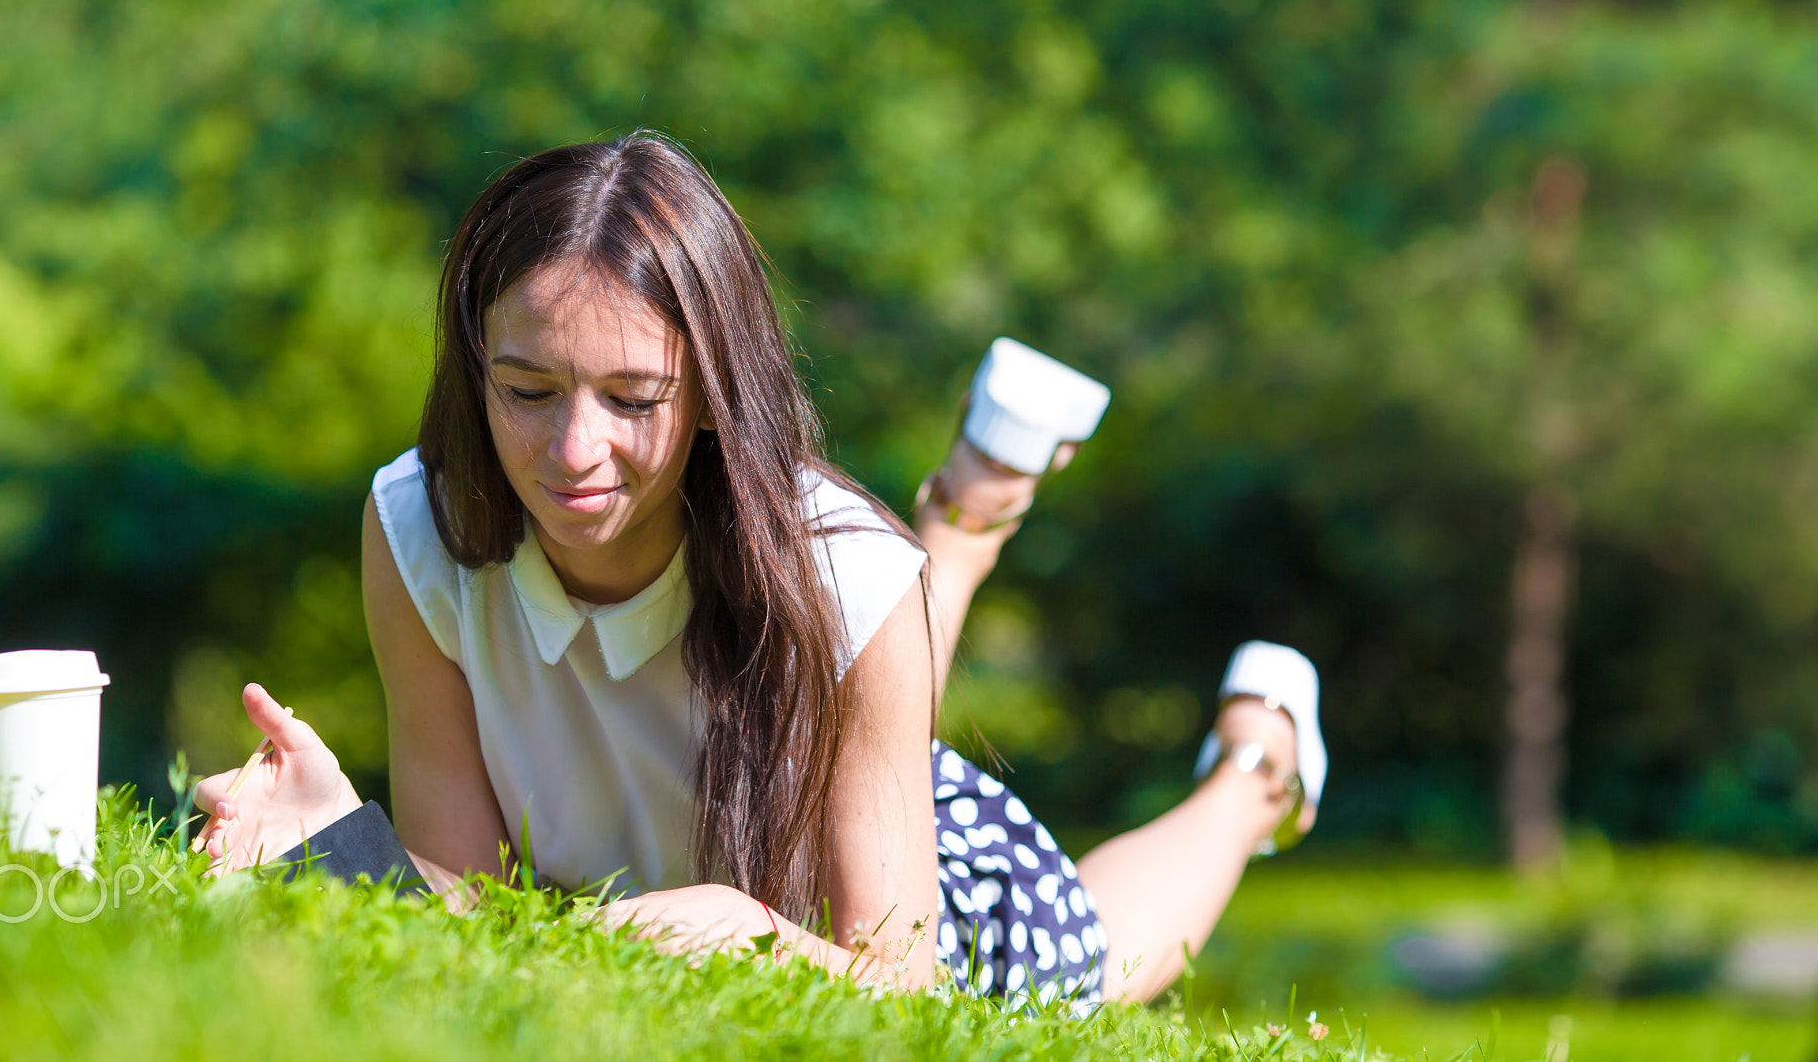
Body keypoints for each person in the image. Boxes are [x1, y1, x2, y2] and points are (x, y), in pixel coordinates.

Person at [195, 131, 1323, 1006]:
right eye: (525, 391)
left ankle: (1256, 764)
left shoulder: (843, 580)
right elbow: (467, 912)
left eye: (633, 399)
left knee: (1093, 963)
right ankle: (972, 503)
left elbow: (896, 988)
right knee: (861, 604)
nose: (570, 453)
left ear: (709, 395)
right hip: (805, 688)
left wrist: (754, 935)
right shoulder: (415, 527)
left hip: (865, 854)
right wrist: (332, 841)